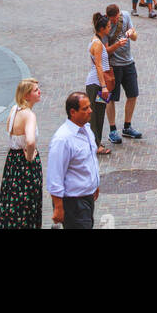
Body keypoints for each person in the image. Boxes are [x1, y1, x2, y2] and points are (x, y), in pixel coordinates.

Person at [46, 91, 100, 230]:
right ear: (72, 112)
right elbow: (55, 175)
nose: (90, 111)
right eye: (85, 108)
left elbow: (90, 160)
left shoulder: (86, 130)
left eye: (89, 107)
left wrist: (95, 183)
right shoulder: (63, 139)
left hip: (86, 197)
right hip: (73, 202)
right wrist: (58, 207)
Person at [0, 79, 42, 229]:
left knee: (11, 204)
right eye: (35, 90)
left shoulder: (14, 110)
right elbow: (30, 141)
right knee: (27, 205)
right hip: (25, 165)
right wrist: (30, 156)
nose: (39, 92)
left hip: (12, 162)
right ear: (27, 95)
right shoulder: (29, 115)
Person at [103, 1, 142, 144]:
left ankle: (127, 126)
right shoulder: (104, 25)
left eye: (116, 18)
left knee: (133, 94)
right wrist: (116, 45)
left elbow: (135, 36)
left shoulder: (125, 16)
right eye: (112, 19)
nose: (114, 21)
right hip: (113, 66)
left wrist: (131, 33)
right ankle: (112, 129)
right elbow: (105, 50)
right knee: (110, 98)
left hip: (128, 62)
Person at [85, 12, 114, 155]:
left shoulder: (98, 40)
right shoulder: (97, 44)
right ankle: (95, 144)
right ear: (102, 28)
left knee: (100, 112)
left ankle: (97, 141)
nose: (110, 28)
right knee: (96, 114)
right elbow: (98, 66)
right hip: (96, 84)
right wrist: (103, 86)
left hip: (99, 83)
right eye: (108, 26)